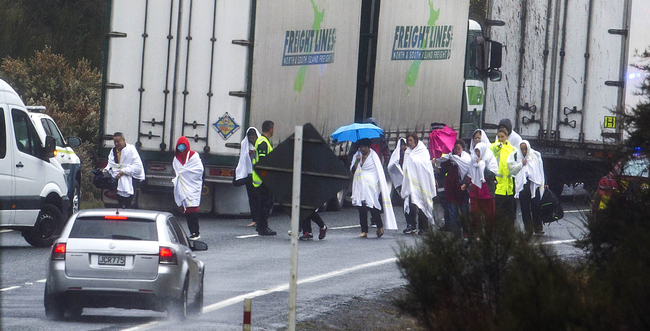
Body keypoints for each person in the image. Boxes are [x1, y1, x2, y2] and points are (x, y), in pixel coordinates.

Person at [350, 139, 397, 238]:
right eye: (361, 147)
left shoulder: (374, 156)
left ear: (368, 147)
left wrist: (371, 181)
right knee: (361, 207)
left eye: (365, 147)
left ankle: (379, 226)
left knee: (372, 206)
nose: (363, 149)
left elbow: (377, 171)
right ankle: (364, 231)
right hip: (359, 183)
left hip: (370, 184)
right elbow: (353, 171)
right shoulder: (357, 156)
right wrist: (358, 161)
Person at [401, 132, 437, 235]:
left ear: (416, 141)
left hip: (422, 182)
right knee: (410, 203)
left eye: (411, 141)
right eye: (408, 141)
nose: (409, 143)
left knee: (422, 203)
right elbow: (406, 166)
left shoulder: (423, 151)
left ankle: (423, 227)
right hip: (410, 182)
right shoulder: (408, 152)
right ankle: (411, 225)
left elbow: (426, 167)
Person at [508, 140, 546, 235]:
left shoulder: (535, 156)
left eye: (525, 149)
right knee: (525, 208)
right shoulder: (516, 156)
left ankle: (538, 227)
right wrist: (521, 164)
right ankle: (528, 228)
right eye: (522, 149)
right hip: (522, 186)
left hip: (534, 184)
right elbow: (512, 170)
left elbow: (540, 170)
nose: (524, 151)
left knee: (536, 207)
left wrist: (543, 182)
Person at [172, 136, 204, 240]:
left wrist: (184, 172)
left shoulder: (194, 156)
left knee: (193, 208)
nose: (181, 148)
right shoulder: (176, 158)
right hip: (182, 186)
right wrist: (181, 173)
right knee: (187, 210)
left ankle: (196, 232)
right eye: (179, 146)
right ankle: (192, 232)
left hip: (192, 185)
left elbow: (199, 170)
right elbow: (177, 171)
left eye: (183, 146)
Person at [437, 140, 471, 237]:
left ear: (463, 149)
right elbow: (442, 170)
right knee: (453, 211)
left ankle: (466, 231)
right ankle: (456, 232)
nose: (456, 150)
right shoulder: (449, 159)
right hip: (451, 189)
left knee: (464, 211)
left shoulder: (467, 159)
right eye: (455, 148)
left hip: (462, 189)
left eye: (458, 148)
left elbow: (469, 173)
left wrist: (465, 183)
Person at [103, 132, 145, 208]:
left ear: (123, 140)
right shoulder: (113, 151)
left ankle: (127, 207)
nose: (116, 144)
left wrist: (124, 171)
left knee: (129, 199)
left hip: (131, 178)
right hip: (117, 178)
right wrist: (107, 170)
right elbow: (111, 164)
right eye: (115, 142)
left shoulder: (131, 150)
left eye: (118, 142)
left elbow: (137, 166)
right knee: (119, 198)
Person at [251, 120, 277, 236]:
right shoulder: (263, 142)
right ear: (270, 129)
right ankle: (262, 227)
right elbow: (262, 163)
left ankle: (262, 226)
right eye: (273, 128)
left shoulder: (265, 141)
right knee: (265, 203)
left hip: (263, 178)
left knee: (267, 202)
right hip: (263, 179)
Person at [467, 142, 498, 233]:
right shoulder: (473, 161)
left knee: (489, 216)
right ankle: (477, 233)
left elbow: (491, 175)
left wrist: (482, 166)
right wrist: (465, 183)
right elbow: (470, 174)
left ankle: (489, 234)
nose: (477, 154)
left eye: (479, 152)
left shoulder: (490, 159)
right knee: (475, 215)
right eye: (476, 151)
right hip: (475, 193)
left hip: (487, 193)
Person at [234, 127, 261, 227]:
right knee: (252, 198)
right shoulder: (245, 144)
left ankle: (260, 219)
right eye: (250, 138)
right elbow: (243, 158)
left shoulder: (260, 144)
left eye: (253, 138)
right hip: (249, 174)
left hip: (259, 175)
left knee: (260, 198)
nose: (252, 140)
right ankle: (255, 219)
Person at [491, 128, 516, 227]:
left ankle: (508, 232)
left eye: (502, 137)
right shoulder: (493, 147)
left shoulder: (512, 149)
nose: (501, 139)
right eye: (499, 137)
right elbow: (491, 153)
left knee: (509, 213)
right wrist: (497, 148)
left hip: (509, 187)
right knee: (498, 213)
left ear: (507, 137)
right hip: (498, 186)